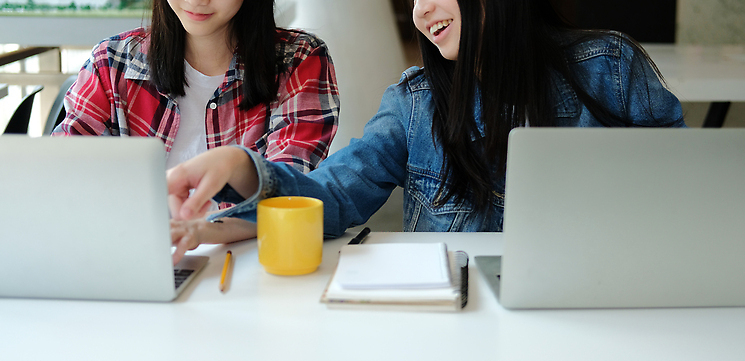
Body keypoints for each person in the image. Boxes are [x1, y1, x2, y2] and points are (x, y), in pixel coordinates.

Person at [166, 0, 687, 263]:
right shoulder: (413, 102)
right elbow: (333, 197)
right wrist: (246, 169)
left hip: (605, 309)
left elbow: (689, 196)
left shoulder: (611, 67)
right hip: (457, 335)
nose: (419, 13)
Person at [52, 0, 339, 255]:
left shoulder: (300, 60)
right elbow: (59, 176)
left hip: (248, 264)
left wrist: (202, 231)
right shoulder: (111, 63)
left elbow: (289, 193)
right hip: (127, 259)